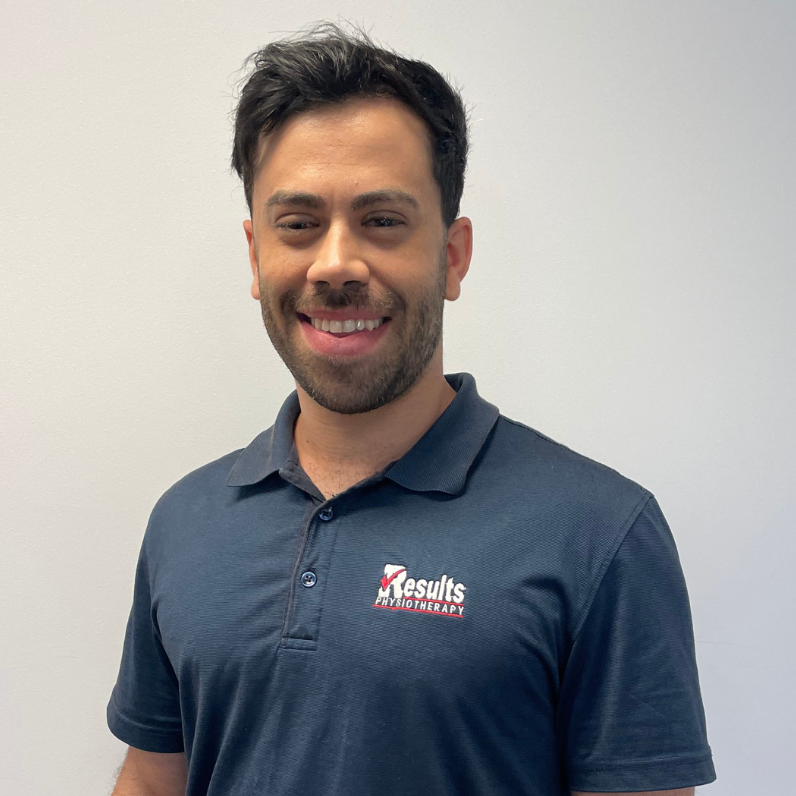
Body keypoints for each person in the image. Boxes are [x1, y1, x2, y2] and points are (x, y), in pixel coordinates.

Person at [107, 23, 716, 796]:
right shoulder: (184, 521)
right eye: (298, 225)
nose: (335, 264)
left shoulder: (599, 534)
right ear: (257, 255)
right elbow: (153, 780)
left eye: (382, 220)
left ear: (452, 257)